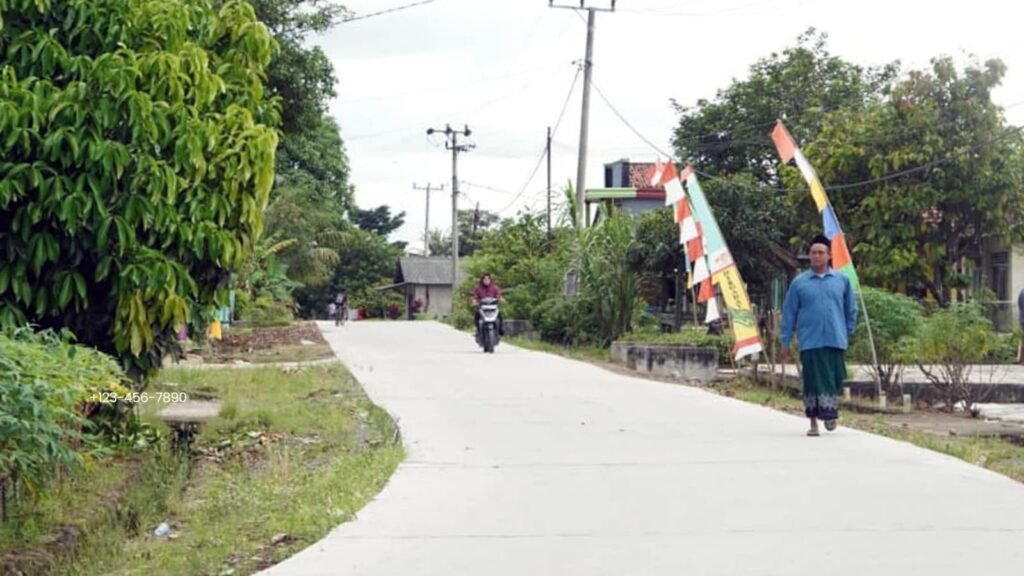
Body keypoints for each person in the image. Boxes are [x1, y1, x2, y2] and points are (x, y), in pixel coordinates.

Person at [781, 234, 858, 437]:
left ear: (829, 255)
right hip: (810, 341)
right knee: (812, 382)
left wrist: (848, 330)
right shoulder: (799, 283)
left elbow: (851, 308)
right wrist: (785, 341)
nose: (816, 256)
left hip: (835, 339)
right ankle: (813, 422)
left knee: (834, 378)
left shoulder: (841, 281)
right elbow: (789, 313)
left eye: (820, 252)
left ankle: (830, 412)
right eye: (813, 253)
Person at [471, 273, 505, 342]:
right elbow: (475, 296)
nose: (486, 280)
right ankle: (478, 330)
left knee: (500, 315)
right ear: (482, 280)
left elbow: (498, 295)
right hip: (482, 308)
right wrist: (474, 301)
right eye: (485, 279)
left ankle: (500, 329)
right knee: (477, 315)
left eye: (488, 279)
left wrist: (501, 299)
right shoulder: (478, 288)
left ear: (490, 280)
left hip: (493, 308)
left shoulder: (495, 287)